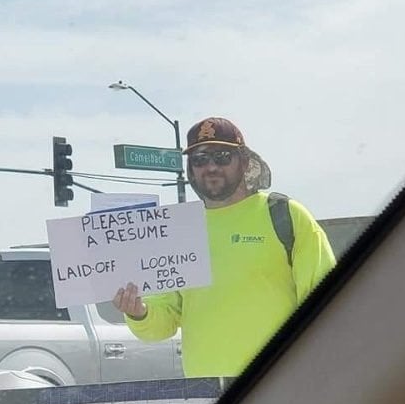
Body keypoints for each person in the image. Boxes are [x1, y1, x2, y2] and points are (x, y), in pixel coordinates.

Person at [113, 117, 336, 378]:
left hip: (281, 386)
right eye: (200, 159)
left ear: (243, 161)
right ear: (191, 169)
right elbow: (162, 323)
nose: (211, 167)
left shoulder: (286, 215)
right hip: (206, 397)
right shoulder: (177, 230)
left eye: (222, 156)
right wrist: (139, 312)